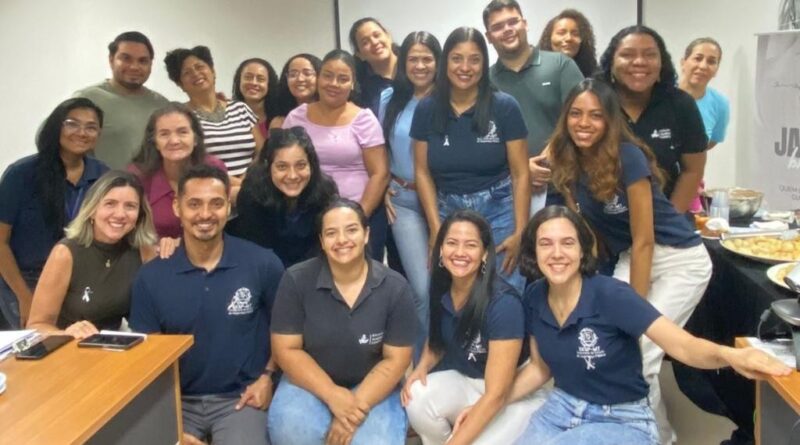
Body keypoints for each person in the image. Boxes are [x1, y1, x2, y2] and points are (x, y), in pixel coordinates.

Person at [508, 205, 791, 444]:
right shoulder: (534, 296)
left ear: (583, 250)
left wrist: (730, 355)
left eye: (568, 243)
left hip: (621, 418)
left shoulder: (612, 295)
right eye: (546, 243)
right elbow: (539, 368)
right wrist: (493, 399)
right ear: (533, 251)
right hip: (562, 406)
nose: (557, 253)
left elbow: (683, 345)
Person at [547, 78, 712, 445]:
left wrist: (633, 313)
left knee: (641, 354)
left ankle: (654, 439)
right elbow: (587, 232)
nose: (584, 123)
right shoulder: (567, 158)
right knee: (617, 351)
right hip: (629, 257)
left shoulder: (628, 157)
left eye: (595, 115)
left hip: (678, 259)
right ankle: (653, 434)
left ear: (610, 121)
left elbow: (644, 240)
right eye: (576, 113)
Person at [130, 164, 284, 445]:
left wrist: (267, 378)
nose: (205, 214)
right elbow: (147, 356)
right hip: (176, 401)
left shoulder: (262, 263)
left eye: (216, 204)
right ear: (177, 207)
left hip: (241, 399)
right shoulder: (151, 276)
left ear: (229, 207)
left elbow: (285, 330)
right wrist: (168, 426)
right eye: (194, 204)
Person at [268, 198, 416, 445]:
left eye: (351, 230)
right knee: (291, 432)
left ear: (366, 234)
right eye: (331, 233)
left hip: (372, 385)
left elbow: (397, 359)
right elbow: (286, 350)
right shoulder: (296, 280)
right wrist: (332, 395)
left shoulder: (395, 287)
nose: (342, 240)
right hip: (310, 383)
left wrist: (353, 409)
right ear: (321, 241)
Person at [403, 210, 546, 445]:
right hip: (467, 381)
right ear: (441, 249)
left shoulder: (503, 303)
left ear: (485, 254)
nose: (460, 252)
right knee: (416, 394)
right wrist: (422, 367)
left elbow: (496, 394)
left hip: (511, 396)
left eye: (470, 245)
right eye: (451, 243)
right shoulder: (442, 285)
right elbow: (438, 338)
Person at [411, 27, 530, 293]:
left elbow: (521, 173)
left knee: (506, 289)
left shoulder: (505, 106)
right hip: (447, 209)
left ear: (484, 64)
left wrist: (520, 231)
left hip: (499, 207)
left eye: (474, 60)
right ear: (445, 62)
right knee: (455, 290)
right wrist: (435, 228)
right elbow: (422, 172)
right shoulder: (427, 109)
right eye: (457, 58)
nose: (465, 67)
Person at [0, 98, 109, 329]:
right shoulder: (21, 174)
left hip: (79, 281)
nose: (82, 132)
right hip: (26, 280)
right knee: (38, 345)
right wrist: (24, 297)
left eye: (91, 127)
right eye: (72, 124)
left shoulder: (103, 176)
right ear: (56, 126)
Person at [283, 49, 390, 259]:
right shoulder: (296, 117)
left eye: (343, 79)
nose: (334, 83)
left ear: (352, 84)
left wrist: (356, 218)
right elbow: (284, 164)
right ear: (318, 78)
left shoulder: (364, 119)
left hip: (360, 213)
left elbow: (380, 174)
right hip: (308, 217)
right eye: (328, 75)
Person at [27, 171, 157, 338]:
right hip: (70, 347)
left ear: (139, 215)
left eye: (130, 206)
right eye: (110, 204)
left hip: (117, 345)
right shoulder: (65, 254)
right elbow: (36, 326)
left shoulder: (143, 250)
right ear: (92, 210)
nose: (120, 214)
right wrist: (66, 334)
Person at [482, 0, 583, 212]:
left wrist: (547, 158)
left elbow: (582, 119)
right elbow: (484, 139)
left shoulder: (561, 65)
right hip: (506, 194)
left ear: (525, 24)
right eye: (498, 27)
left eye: (513, 22)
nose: (507, 29)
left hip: (563, 189)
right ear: (489, 37)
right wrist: (522, 170)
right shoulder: (485, 82)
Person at [597, 25, 708, 214]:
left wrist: (669, 220)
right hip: (602, 218)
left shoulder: (680, 104)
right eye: (627, 54)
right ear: (611, 62)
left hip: (664, 214)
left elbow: (693, 170)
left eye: (650, 55)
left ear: (661, 63)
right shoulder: (593, 101)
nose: (639, 62)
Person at [378, 31, 441, 359]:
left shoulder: (449, 98)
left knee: (451, 282)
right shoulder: (390, 98)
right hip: (403, 201)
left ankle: (451, 354)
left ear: (438, 62)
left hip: (446, 201)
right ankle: (422, 361)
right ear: (403, 63)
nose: (420, 65)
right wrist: (383, 187)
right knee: (421, 287)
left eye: (427, 58)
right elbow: (379, 147)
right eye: (413, 59)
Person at [226, 126, 338, 267]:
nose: (292, 175)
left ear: (312, 165)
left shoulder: (326, 191)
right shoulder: (252, 194)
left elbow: (324, 247)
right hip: (266, 268)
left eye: (301, 165)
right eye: (282, 167)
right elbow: (255, 251)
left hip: (312, 269)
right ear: (268, 166)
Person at [128, 103, 227, 239]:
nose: (174, 141)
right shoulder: (138, 176)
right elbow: (131, 229)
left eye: (182, 132)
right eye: (164, 134)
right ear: (155, 142)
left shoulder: (214, 167)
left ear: (196, 138)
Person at [164, 45, 264, 177]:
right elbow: (184, 163)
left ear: (213, 71)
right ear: (180, 84)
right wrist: (229, 182)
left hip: (250, 184)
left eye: (200, 67)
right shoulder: (181, 117)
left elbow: (262, 152)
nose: (195, 73)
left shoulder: (241, 109)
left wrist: (247, 179)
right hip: (207, 186)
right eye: (187, 72)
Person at [74, 31, 169, 169]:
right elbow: (53, 140)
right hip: (103, 182)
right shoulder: (88, 98)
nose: (134, 67)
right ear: (111, 60)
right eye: (126, 59)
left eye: (143, 61)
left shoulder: (162, 105)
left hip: (152, 183)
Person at [679, 37, 730, 212]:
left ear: (716, 69)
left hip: (691, 183)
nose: (703, 66)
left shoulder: (720, 104)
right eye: (698, 58)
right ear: (683, 62)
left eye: (711, 61)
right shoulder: (660, 96)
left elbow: (711, 141)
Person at [350, 17, 399, 115]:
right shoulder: (360, 88)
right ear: (359, 54)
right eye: (365, 42)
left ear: (388, 36)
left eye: (377, 35)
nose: (374, 42)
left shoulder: (412, 66)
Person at [538, 9, 599, 77]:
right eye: (561, 33)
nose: (569, 38)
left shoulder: (594, 77)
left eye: (575, 34)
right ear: (549, 37)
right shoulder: (535, 74)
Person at [232, 58, 280, 139]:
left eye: (260, 79)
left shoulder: (279, 119)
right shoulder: (227, 114)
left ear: (269, 84)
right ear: (239, 81)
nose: (254, 83)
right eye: (248, 77)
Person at [270, 54, 322, 129]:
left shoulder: (331, 116)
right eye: (293, 74)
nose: (300, 79)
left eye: (307, 74)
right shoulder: (280, 122)